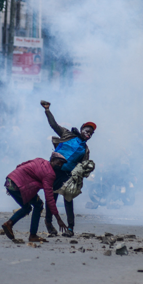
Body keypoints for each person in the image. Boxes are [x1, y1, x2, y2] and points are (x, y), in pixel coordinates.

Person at [40, 100, 96, 237]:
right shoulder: (67, 135)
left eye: (91, 134)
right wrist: (47, 110)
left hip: (67, 175)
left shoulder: (85, 150)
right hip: (53, 170)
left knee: (68, 199)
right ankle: (49, 224)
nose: (88, 134)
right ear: (82, 129)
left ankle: (70, 228)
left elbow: (82, 167)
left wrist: (79, 177)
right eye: (87, 131)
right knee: (50, 198)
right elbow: (53, 125)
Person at [2, 153, 68, 242]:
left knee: (27, 208)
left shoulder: (40, 160)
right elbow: (49, 198)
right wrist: (58, 219)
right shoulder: (50, 174)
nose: (59, 166)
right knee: (38, 205)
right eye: (58, 163)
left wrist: (13, 183)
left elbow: (20, 165)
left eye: (61, 164)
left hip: (10, 181)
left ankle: (9, 224)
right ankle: (32, 235)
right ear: (52, 161)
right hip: (19, 185)